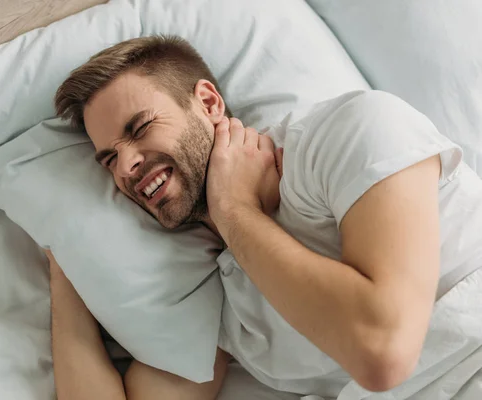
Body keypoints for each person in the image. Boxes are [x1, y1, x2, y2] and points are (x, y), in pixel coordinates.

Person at [47, 35, 482, 399]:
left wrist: (234, 210)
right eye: (109, 159)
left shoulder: (350, 133)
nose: (125, 168)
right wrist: (66, 267)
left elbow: (382, 352)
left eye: (139, 129)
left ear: (208, 102)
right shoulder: (219, 302)